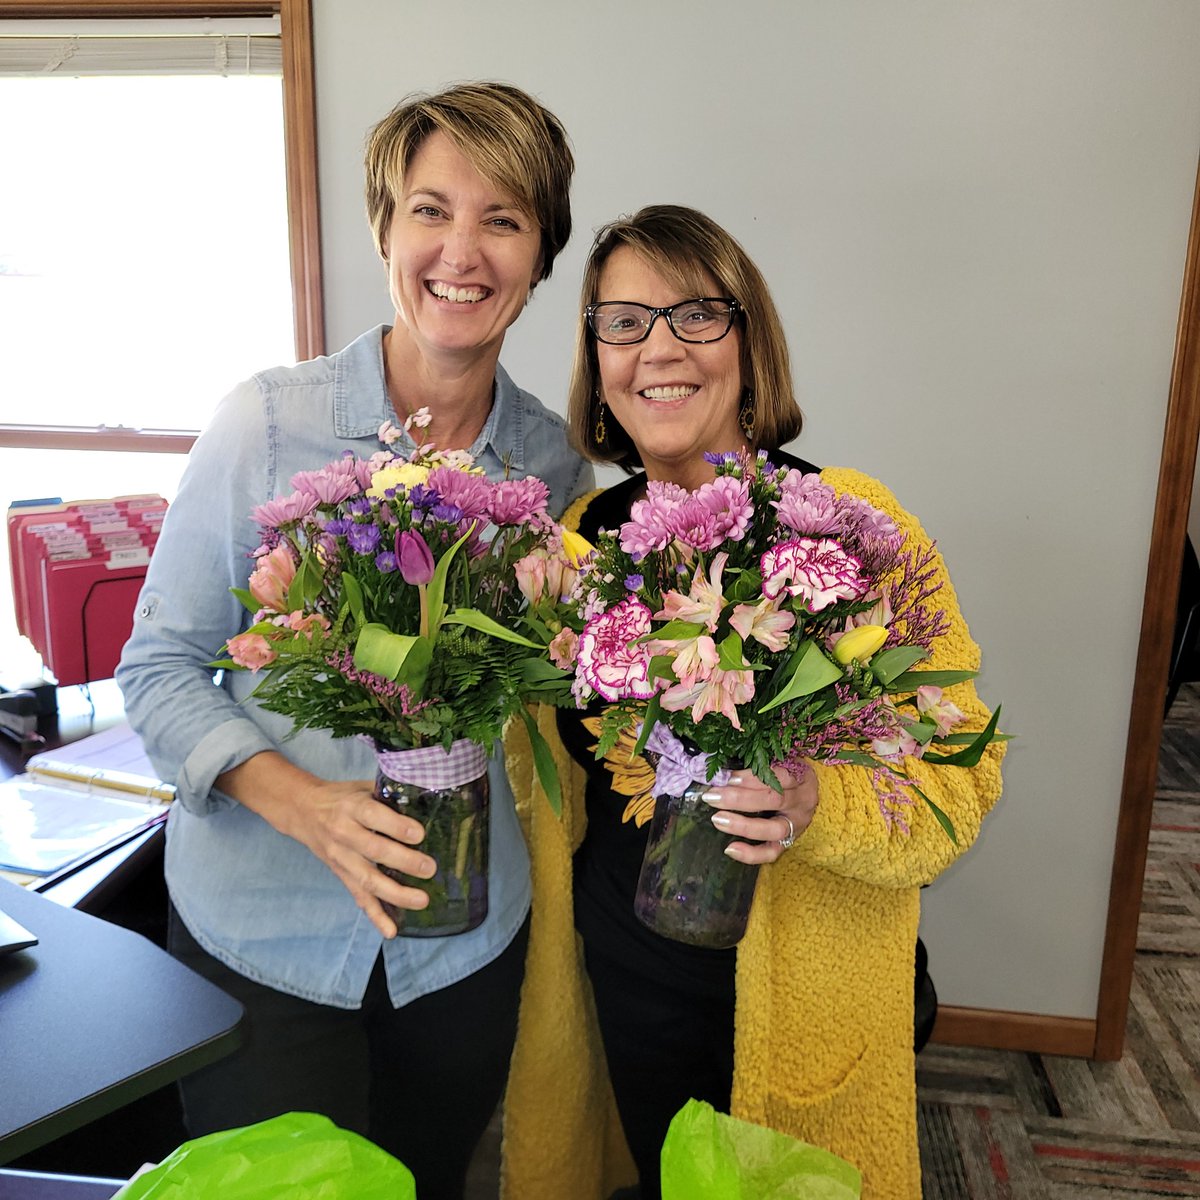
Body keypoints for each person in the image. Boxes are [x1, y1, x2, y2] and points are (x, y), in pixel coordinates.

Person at [116, 82, 592, 1200]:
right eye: (430, 210)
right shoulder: (266, 424)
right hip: (263, 937)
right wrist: (304, 803)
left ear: (539, 256)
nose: (460, 252)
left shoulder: (551, 464)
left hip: (462, 944)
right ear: (384, 229)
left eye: (503, 220)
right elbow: (160, 666)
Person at [500, 205, 1005, 1200]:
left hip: (803, 1002)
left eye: (696, 314)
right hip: (630, 986)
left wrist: (821, 800)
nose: (659, 349)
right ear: (597, 356)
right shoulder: (579, 539)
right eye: (623, 322)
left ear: (749, 340)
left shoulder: (852, 530)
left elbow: (963, 774)